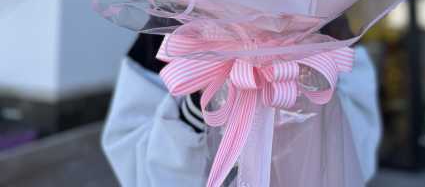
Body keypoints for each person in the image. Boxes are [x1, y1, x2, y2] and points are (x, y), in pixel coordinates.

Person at [102, 30, 381, 186]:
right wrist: (201, 104)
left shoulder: (325, 20)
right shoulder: (170, 30)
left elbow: (358, 157)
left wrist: (301, 98)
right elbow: (133, 162)